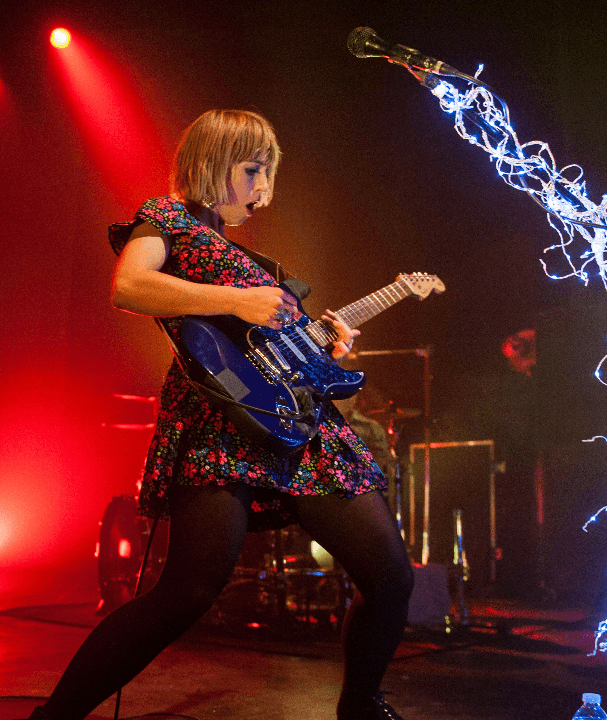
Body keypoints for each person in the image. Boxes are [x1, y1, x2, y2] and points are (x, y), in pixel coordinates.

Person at [27, 110, 414, 720]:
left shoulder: (244, 253)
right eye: (253, 170)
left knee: (391, 578)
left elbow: (263, 339)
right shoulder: (166, 218)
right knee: (186, 592)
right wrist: (241, 299)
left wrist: (320, 346)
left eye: (269, 175)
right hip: (221, 421)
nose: (262, 190)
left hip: (299, 425)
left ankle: (361, 705)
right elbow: (128, 285)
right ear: (212, 159)